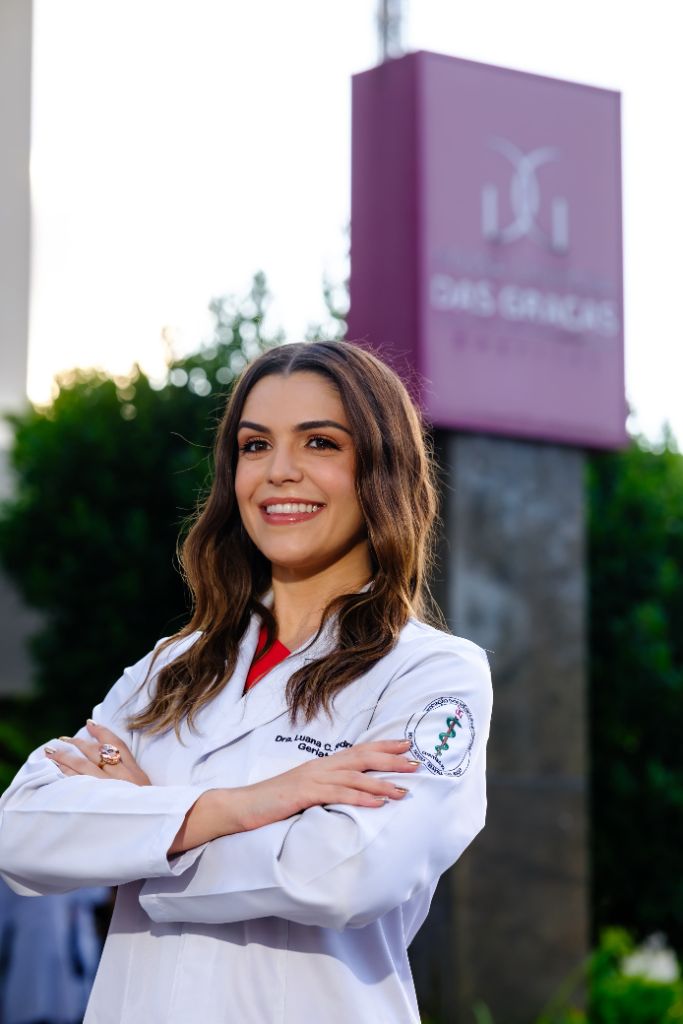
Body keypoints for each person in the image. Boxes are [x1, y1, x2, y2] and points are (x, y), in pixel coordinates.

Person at [0, 341, 493, 1024]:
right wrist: (251, 804)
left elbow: (342, 875)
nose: (278, 472)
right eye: (254, 446)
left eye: (320, 443)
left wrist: (142, 831)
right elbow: (22, 829)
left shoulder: (431, 673)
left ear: (381, 469)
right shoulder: (169, 668)